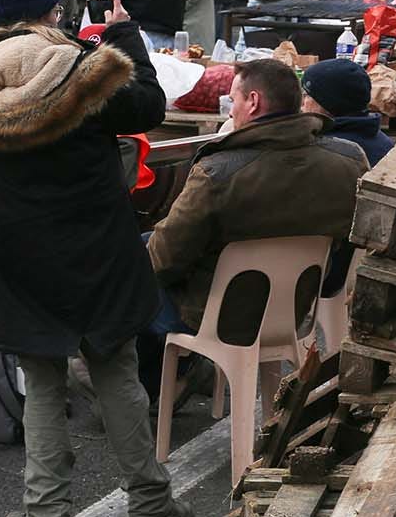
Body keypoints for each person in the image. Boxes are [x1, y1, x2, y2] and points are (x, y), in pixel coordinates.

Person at [0, 0, 193, 517]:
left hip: (18, 260)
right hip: (100, 250)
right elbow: (148, 108)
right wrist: (125, 35)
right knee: (117, 372)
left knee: (43, 383)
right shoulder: (84, 70)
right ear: (49, 15)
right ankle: (150, 502)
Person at [144, 59, 363, 389]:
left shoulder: (218, 172)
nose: (231, 111)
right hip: (295, 312)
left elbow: (165, 260)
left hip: (220, 320)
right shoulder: (350, 160)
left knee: (135, 266)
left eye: (233, 100)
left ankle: (150, 383)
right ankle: (175, 376)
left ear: (253, 101)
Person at [300, 57, 395, 166]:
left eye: (306, 95)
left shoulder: (328, 151)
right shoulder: (381, 140)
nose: (302, 103)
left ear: (328, 103)